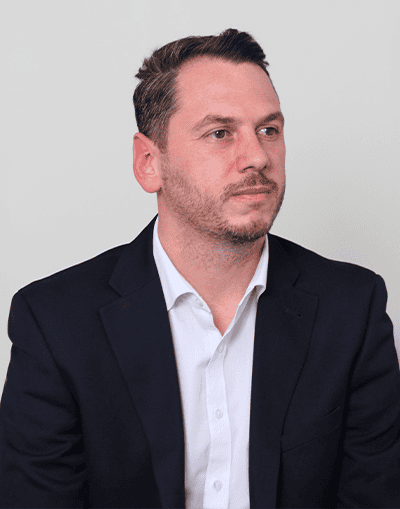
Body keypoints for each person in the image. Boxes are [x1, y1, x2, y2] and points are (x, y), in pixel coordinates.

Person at [1, 28, 399, 509]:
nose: (257, 157)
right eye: (220, 133)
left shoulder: (352, 309)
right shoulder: (56, 323)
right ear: (149, 163)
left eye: (269, 130)